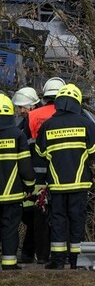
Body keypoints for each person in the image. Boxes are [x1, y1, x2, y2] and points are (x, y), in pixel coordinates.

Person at [36, 84, 95, 269]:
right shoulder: (85, 123)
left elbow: (40, 152)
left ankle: (58, 260)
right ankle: (76, 260)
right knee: (77, 220)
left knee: (57, 221)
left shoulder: (48, 125)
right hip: (79, 183)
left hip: (56, 184)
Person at [0, 94, 34, 269]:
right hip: (12, 194)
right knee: (10, 229)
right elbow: (25, 166)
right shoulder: (17, 135)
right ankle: (9, 264)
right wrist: (30, 186)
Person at [12, 87, 43, 264]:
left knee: (33, 216)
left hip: (37, 177)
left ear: (31, 105)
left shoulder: (32, 122)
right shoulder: (25, 123)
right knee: (31, 216)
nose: (20, 110)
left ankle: (30, 253)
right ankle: (30, 252)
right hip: (32, 177)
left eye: (22, 107)